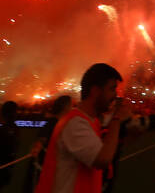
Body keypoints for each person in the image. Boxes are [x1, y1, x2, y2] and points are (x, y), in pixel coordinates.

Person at [35, 63, 133, 193]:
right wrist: (117, 119)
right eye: (112, 89)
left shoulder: (91, 122)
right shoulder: (75, 123)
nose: (115, 95)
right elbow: (102, 159)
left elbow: (109, 150)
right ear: (95, 91)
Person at [28, 96, 73, 193]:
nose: (72, 109)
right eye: (71, 106)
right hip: (45, 169)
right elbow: (41, 140)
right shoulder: (53, 123)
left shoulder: (62, 123)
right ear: (65, 107)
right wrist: (36, 148)